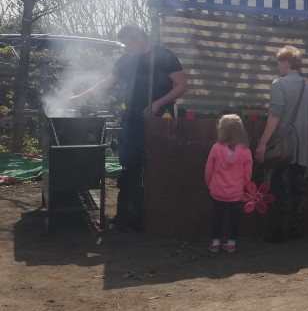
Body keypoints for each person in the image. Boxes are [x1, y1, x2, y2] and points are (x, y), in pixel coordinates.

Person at [70, 25, 188, 231]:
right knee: (129, 166)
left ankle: (151, 216)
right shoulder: (126, 61)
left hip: (160, 122)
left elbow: (181, 85)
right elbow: (107, 83)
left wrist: (157, 104)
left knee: (155, 168)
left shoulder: (164, 56)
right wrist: (79, 98)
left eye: (127, 43)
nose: (125, 48)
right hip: (132, 121)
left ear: (138, 39)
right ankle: (127, 217)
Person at [255, 46, 308, 243]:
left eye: (278, 63)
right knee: (300, 189)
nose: (278, 67)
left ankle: (281, 231)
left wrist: (263, 143)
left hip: (285, 148)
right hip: (304, 150)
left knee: (283, 190)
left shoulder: (278, 84)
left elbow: (275, 115)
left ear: (285, 63)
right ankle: (297, 229)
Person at [204, 114, 253, 254]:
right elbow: (247, 173)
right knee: (234, 218)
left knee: (217, 216)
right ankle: (231, 243)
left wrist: (210, 185)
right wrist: (244, 186)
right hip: (236, 192)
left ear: (222, 130)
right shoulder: (245, 151)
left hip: (217, 190)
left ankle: (215, 243)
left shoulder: (216, 148)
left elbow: (208, 170)